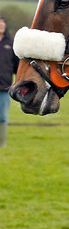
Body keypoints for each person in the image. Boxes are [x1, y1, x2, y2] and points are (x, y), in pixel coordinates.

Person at [0, 15, 18, 148]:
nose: (1, 26)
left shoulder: (11, 43)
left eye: (2, 24)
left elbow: (17, 65)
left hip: (4, 87)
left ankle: (2, 143)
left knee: (3, 117)